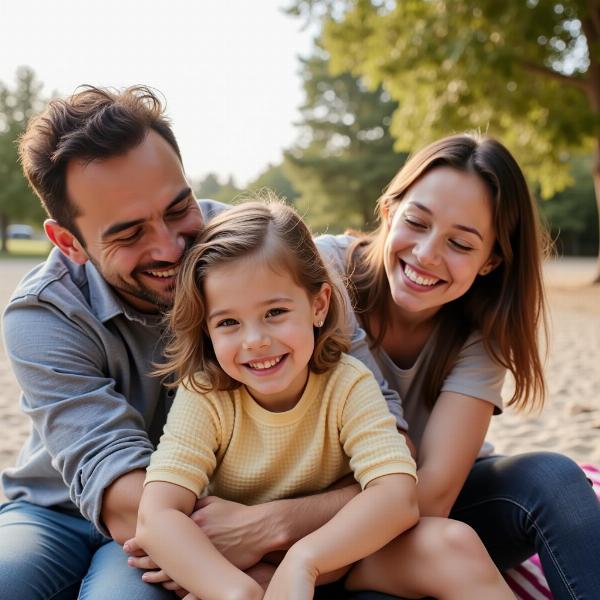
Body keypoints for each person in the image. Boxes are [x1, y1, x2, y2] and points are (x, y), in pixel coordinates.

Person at [135, 199, 515, 600]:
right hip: (244, 571)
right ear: (207, 329)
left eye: (275, 312)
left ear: (318, 305)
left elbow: (398, 495)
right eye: (228, 322)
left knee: (456, 545)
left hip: (341, 557)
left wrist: (306, 560)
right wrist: (239, 592)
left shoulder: (347, 383)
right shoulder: (206, 393)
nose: (255, 340)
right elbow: (156, 515)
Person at [315, 133, 600, 600]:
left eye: (461, 245)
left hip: (423, 519)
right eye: (417, 222)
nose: (427, 254)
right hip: (331, 514)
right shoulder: (320, 273)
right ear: (389, 210)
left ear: (491, 261)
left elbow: (430, 499)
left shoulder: (479, 328)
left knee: (555, 479)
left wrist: (277, 527)